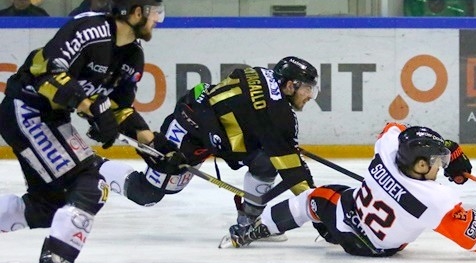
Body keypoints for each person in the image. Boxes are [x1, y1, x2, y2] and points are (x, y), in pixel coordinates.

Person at [0, 0, 165, 263]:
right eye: (153, 11)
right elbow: (47, 73)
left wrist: (155, 144)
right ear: (134, 12)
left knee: (50, 205)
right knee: (91, 182)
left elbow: (119, 108)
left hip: (52, 118)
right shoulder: (89, 29)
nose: (157, 19)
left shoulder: (132, 56)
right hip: (27, 108)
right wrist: (91, 106)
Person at [98, 58, 322, 246]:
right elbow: (293, 172)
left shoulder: (262, 74)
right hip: (190, 129)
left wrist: (275, 142)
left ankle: (249, 220)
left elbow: (246, 106)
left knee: (265, 161)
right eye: (307, 88)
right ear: (291, 85)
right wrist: (318, 209)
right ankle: (94, 166)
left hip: (215, 131)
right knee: (147, 194)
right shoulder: (279, 114)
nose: (310, 95)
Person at [226, 122, 476, 256]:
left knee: (313, 198)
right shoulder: (436, 199)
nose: (442, 165)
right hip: (382, 249)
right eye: (438, 161)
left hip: (349, 222)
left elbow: (395, 128)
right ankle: (325, 229)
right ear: (419, 166)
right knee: (332, 197)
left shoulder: (388, 150)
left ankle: (255, 229)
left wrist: (447, 149)